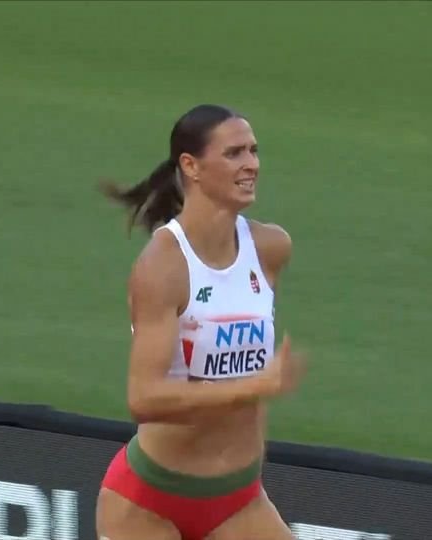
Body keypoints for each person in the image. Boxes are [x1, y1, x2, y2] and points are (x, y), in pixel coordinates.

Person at [95, 104, 307, 540]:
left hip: (239, 499)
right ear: (191, 166)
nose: (251, 164)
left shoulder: (270, 248)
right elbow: (144, 398)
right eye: (234, 153)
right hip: (149, 503)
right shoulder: (163, 266)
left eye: (253, 151)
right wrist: (254, 388)